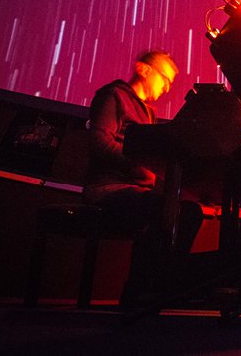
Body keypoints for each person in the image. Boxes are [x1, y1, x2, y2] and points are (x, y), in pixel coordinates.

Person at [83, 50, 203, 308]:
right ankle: (138, 293)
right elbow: (99, 144)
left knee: (190, 212)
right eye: (165, 78)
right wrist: (142, 160)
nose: (167, 87)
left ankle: (160, 287)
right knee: (162, 210)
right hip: (109, 189)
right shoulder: (114, 96)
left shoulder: (147, 113)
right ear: (143, 69)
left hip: (136, 192)